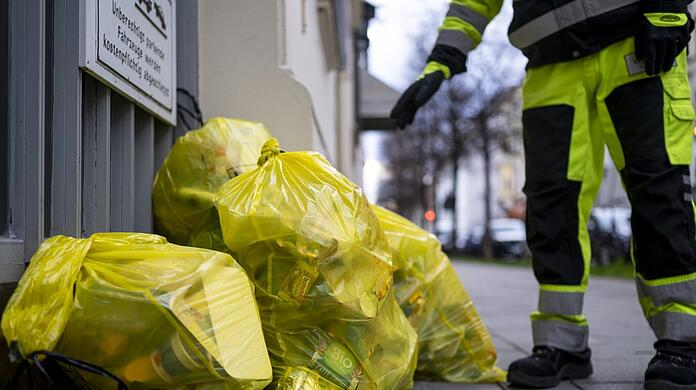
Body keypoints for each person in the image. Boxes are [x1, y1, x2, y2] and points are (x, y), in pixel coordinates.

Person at [391, 0, 696, 388]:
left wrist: (667, 7)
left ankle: (682, 341)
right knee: (551, 206)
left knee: (659, 193)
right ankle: (561, 343)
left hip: (635, 40)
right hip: (550, 64)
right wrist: (444, 57)